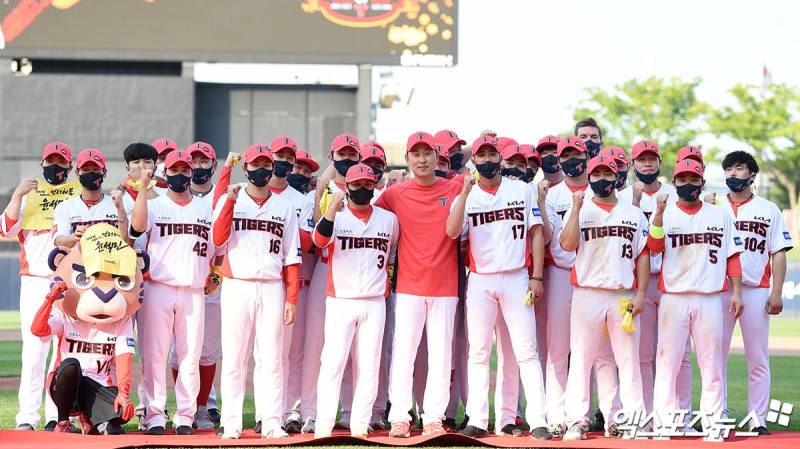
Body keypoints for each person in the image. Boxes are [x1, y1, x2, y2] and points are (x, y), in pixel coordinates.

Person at [446, 136, 551, 441]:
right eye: (482, 154)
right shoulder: (467, 196)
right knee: (479, 351)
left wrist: (538, 276)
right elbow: (452, 232)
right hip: (480, 278)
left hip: (518, 276)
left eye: (493, 153)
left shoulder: (521, 189)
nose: (488, 159)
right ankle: (478, 419)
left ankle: (535, 419)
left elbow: (536, 234)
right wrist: (464, 194)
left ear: (501, 159)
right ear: (474, 160)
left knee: (524, 350)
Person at [375, 131, 462, 438]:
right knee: (403, 353)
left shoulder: (455, 187)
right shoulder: (395, 194)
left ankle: (434, 417)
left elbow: (481, 177)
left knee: (441, 355)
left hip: (445, 286)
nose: (422, 160)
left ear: (438, 158)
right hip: (408, 286)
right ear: (408, 158)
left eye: (428, 154)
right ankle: (400, 415)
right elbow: (367, 213)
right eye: (416, 154)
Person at [211, 143, 301, 439]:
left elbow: (291, 256)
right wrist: (229, 203)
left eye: (266, 164)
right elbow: (218, 238)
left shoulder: (284, 206)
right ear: (246, 168)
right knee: (235, 357)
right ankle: (232, 422)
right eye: (255, 164)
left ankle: (272, 420)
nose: (261, 169)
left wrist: (291, 298)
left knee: (272, 358)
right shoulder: (232, 199)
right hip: (238, 285)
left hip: (273, 287)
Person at [648, 159, 744, 433]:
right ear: (675, 182)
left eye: (693, 179)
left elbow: (732, 255)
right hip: (674, 298)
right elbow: (653, 248)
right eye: (682, 179)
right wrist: (658, 215)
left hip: (710, 297)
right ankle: (666, 424)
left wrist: (737, 292)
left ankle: (714, 425)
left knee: (712, 365)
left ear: (702, 182)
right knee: (667, 363)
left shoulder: (719, 214)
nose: (688, 184)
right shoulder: (665, 213)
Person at [559, 155, 649, 440]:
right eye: (595, 174)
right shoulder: (581, 208)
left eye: (606, 174)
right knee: (582, 359)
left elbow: (643, 254)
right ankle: (576, 420)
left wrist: (642, 293)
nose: (601, 179)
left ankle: (628, 419)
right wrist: (575, 208)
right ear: (589, 176)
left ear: (616, 177)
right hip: (588, 293)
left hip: (622, 295)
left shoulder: (632, 213)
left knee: (628, 361)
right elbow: (566, 243)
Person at [130, 150, 215, 435]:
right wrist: (142, 188)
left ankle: (185, 417)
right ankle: (154, 415)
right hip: (158, 288)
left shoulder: (206, 208)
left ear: (191, 173)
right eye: (174, 170)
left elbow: (218, 249)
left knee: (190, 357)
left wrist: (214, 276)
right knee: (153, 356)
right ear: (165, 174)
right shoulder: (155, 205)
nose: (180, 174)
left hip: (193, 290)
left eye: (184, 169)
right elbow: (137, 227)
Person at [312, 163, 399, 438]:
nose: (362, 189)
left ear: (374, 186)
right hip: (341, 299)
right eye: (356, 184)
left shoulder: (389, 219)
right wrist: (330, 209)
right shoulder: (336, 216)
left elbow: (392, 255)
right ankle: (324, 424)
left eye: (367, 184)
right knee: (333, 362)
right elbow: (319, 240)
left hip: (374, 301)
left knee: (370, 364)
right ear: (347, 187)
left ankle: (360, 424)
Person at [3, 141, 78, 431]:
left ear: (69, 167)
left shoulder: (76, 192)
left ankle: (54, 416)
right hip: (35, 280)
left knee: (63, 350)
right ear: (42, 163)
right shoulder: (29, 193)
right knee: (34, 351)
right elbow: (5, 228)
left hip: (68, 281)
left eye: (61, 162)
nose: (55, 166)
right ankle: (27, 417)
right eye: (51, 161)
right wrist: (18, 194)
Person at [718, 151, 793, 435]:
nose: (733, 174)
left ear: (752, 175)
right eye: (728, 169)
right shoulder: (712, 207)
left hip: (756, 291)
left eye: (739, 169)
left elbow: (779, 253)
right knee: (716, 356)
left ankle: (756, 419)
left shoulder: (769, 209)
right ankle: (718, 415)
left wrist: (776, 293)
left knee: (758, 358)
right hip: (720, 292)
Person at [620, 140, 693, 417]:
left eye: (652, 158)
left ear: (660, 163)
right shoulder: (624, 196)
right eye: (641, 159)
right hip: (641, 281)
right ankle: (648, 414)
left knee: (680, 354)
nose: (647, 163)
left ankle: (682, 415)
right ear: (633, 164)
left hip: (673, 279)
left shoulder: (677, 194)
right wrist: (636, 203)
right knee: (643, 354)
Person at [300, 133, 362, 433]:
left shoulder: (369, 189)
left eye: (353, 154)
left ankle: (350, 411)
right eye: (342, 154)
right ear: (331, 158)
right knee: (315, 346)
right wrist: (320, 193)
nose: (347, 159)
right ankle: (310, 411)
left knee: (352, 350)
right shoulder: (322, 188)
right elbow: (313, 238)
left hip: (357, 273)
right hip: (326, 266)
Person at [166, 141, 225, 429]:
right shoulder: (171, 198)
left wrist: (215, 278)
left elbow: (222, 245)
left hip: (212, 283)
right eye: (195, 162)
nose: (200, 167)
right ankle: (184, 407)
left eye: (205, 162)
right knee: (180, 351)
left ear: (214, 165)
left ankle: (203, 407)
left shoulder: (221, 196)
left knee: (208, 349)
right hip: (181, 283)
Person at [53, 148, 128, 248]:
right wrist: (73, 237)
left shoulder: (118, 204)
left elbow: (127, 242)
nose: (91, 174)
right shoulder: (65, 207)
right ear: (77, 174)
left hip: (109, 262)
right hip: (76, 262)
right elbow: (58, 241)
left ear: (104, 173)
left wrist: (120, 209)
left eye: (96, 169)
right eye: (86, 170)